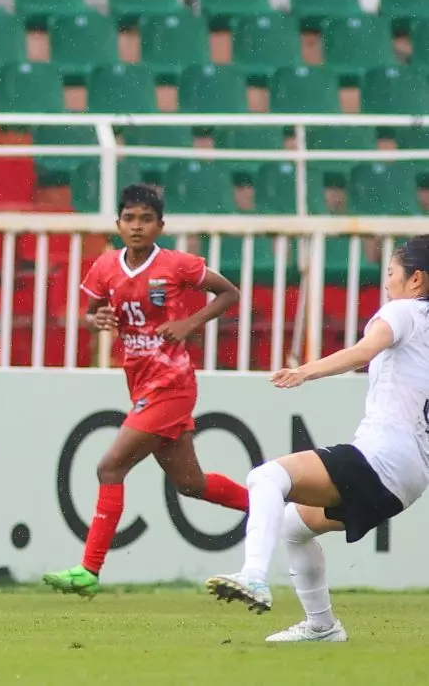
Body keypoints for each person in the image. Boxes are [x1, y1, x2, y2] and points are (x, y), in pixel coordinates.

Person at [207, 236, 429, 642]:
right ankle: (322, 627)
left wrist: (306, 371)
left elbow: (365, 351)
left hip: (381, 458)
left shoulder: (403, 311)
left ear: (416, 279)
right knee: (294, 526)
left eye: (392, 274)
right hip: (409, 480)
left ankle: (254, 575)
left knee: (266, 478)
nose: (386, 283)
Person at [43, 184, 249, 598]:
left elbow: (230, 293)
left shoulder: (178, 265)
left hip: (172, 385)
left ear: (160, 225)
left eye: (145, 219)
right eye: (129, 218)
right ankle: (274, 505)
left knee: (109, 467)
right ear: (118, 223)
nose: (136, 227)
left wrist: (190, 324)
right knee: (191, 483)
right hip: (140, 383)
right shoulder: (104, 266)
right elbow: (89, 314)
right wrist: (96, 319)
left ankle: (89, 570)